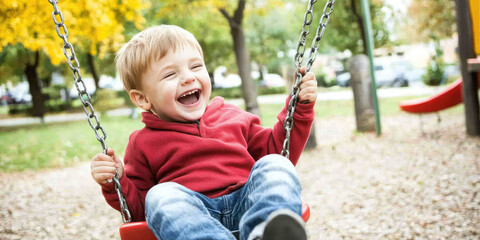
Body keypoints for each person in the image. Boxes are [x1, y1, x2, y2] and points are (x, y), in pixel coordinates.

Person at [90, 25, 317, 240]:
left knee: (274, 164)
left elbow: (277, 150)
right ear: (142, 98)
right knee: (159, 196)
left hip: (248, 203)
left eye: (196, 67)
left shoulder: (232, 115)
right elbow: (140, 210)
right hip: (193, 220)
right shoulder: (142, 143)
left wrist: (298, 108)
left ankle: (265, 231)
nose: (188, 77)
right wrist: (116, 181)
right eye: (170, 75)